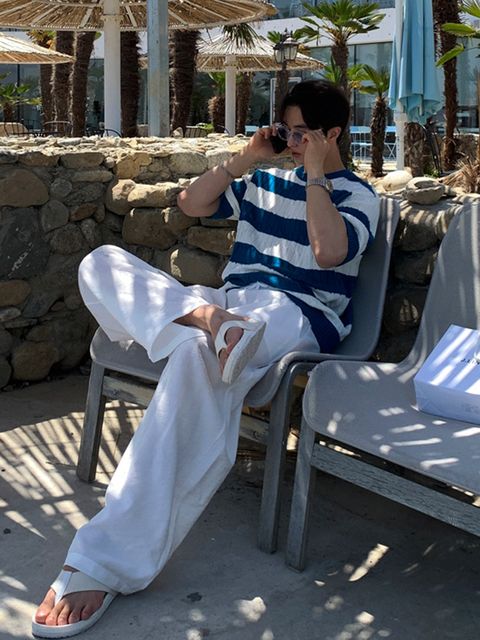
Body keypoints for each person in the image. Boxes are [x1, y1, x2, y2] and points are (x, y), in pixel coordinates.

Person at [33, 79, 379, 638]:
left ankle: (102, 561)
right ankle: (206, 321)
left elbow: (329, 251)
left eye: (301, 134)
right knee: (100, 262)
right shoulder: (264, 179)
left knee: (198, 358)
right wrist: (245, 158)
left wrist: (316, 175)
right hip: (228, 305)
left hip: (296, 314)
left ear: (331, 134)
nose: (290, 143)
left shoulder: (358, 196)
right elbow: (191, 204)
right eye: (285, 131)